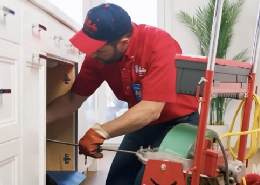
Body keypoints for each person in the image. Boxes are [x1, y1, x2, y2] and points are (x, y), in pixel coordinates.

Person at [46, 3, 200, 185]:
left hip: (178, 124)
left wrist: (99, 132)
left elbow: (151, 109)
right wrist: (36, 121)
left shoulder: (159, 45)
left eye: (99, 49)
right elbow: (72, 99)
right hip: (142, 124)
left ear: (123, 43)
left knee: (148, 181)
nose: (92, 55)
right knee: (117, 182)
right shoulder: (98, 57)